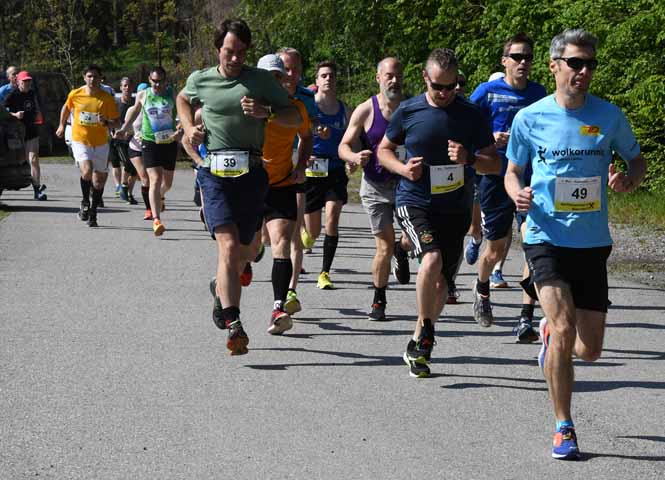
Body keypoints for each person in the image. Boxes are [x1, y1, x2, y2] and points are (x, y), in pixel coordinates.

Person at [505, 29, 646, 460]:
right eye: (575, 63)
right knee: (565, 330)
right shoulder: (530, 118)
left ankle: (550, 336)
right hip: (545, 237)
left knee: (590, 349)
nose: (584, 71)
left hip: (592, 243)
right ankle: (563, 426)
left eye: (590, 64)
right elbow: (512, 170)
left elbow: (636, 161)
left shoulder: (608, 116)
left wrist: (627, 180)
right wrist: (516, 192)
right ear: (554, 66)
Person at [176, 19, 300, 355]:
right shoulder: (201, 79)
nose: (234, 58)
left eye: (241, 53)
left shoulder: (260, 81)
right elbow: (182, 99)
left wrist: (267, 112)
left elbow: (294, 118)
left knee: (247, 251)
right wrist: (189, 129)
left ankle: (221, 287)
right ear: (219, 48)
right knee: (229, 247)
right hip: (215, 174)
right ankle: (234, 324)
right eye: (229, 51)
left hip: (252, 173)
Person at [378, 48, 500, 378]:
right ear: (425, 79)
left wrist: (470, 159)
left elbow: (495, 162)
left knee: (444, 284)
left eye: (452, 86)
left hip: (455, 208)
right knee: (430, 260)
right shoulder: (409, 110)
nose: (445, 93)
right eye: (438, 87)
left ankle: (418, 340)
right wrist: (403, 169)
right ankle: (429, 329)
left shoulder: (471, 114)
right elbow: (383, 150)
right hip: (414, 200)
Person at [469, 33, 547, 328]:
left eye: (528, 56)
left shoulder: (539, 94)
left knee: (533, 243)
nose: (523, 62)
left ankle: (526, 316)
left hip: (531, 181)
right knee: (496, 248)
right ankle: (482, 287)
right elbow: (466, 124)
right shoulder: (487, 92)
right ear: (505, 62)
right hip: (496, 178)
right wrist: (489, 138)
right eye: (517, 57)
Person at [338, 57, 411, 321]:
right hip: (376, 187)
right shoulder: (365, 110)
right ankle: (379, 298)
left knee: (410, 240)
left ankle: (403, 251)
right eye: (389, 75)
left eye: (399, 75)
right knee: (383, 246)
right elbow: (343, 145)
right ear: (378, 78)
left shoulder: (412, 108)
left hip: (407, 185)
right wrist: (354, 158)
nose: (395, 80)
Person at [257, 53, 313, 334]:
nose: (275, 81)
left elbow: (307, 135)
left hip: (281, 183)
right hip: (248, 185)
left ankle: (278, 307)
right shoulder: (244, 105)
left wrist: (301, 164)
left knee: (281, 241)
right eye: (268, 76)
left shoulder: (294, 109)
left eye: (278, 76)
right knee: (248, 248)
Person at [300, 61, 350, 290]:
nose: (328, 78)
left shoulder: (344, 110)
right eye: (323, 75)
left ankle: (324, 272)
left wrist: (353, 158)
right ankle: (304, 238)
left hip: (336, 170)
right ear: (317, 81)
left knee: (333, 219)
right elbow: (293, 136)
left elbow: (353, 139)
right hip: (312, 171)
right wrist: (302, 156)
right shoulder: (308, 108)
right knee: (313, 231)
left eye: (331, 75)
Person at [277, 47, 317, 315]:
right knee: (266, 236)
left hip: (296, 169)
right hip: (267, 171)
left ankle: (290, 291)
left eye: (296, 69)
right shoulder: (264, 96)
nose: (292, 75)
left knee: (293, 235)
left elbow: (309, 133)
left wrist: (303, 160)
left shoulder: (306, 98)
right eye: (286, 69)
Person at [117, 66, 179, 236]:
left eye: (160, 81)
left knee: (167, 183)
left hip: (169, 141)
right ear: (149, 80)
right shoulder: (144, 95)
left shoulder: (172, 94)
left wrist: (181, 127)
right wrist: (124, 129)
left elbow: (181, 112)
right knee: (155, 179)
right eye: (153, 81)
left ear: (165, 81)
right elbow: (134, 111)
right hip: (150, 141)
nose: (156, 85)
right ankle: (156, 220)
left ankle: (160, 196)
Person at [56, 64, 120, 227]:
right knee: (86, 170)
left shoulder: (106, 98)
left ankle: (93, 212)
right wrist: (62, 125)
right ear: (84, 77)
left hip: (100, 143)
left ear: (101, 78)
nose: (92, 79)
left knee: (99, 181)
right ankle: (85, 201)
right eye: (89, 76)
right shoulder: (75, 94)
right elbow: (66, 108)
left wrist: (106, 122)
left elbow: (117, 122)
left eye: (96, 76)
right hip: (80, 139)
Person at [3, 71, 47, 200]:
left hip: (31, 130)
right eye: (24, 81)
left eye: (28, 81)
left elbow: (37, 108)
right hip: (16, 133)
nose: (27, 84)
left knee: (33, 159)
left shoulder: (33, 93)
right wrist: (15, 115)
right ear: (18, 82)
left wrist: (39, 114)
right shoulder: (12, 95)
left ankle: (37, 190)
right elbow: (3, 110)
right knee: (16, 161)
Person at [110, 77, 138, 204]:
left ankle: (125, 188)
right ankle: (120, 186)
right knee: (119, 163)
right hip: (118, 139)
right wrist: (116, 131)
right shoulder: (116, 104)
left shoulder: (136, 103)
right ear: (121, 88)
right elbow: (111, 120)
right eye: (125, 86)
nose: (127, 88)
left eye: (129, 85)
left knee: (132, 167)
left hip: (133, 139)